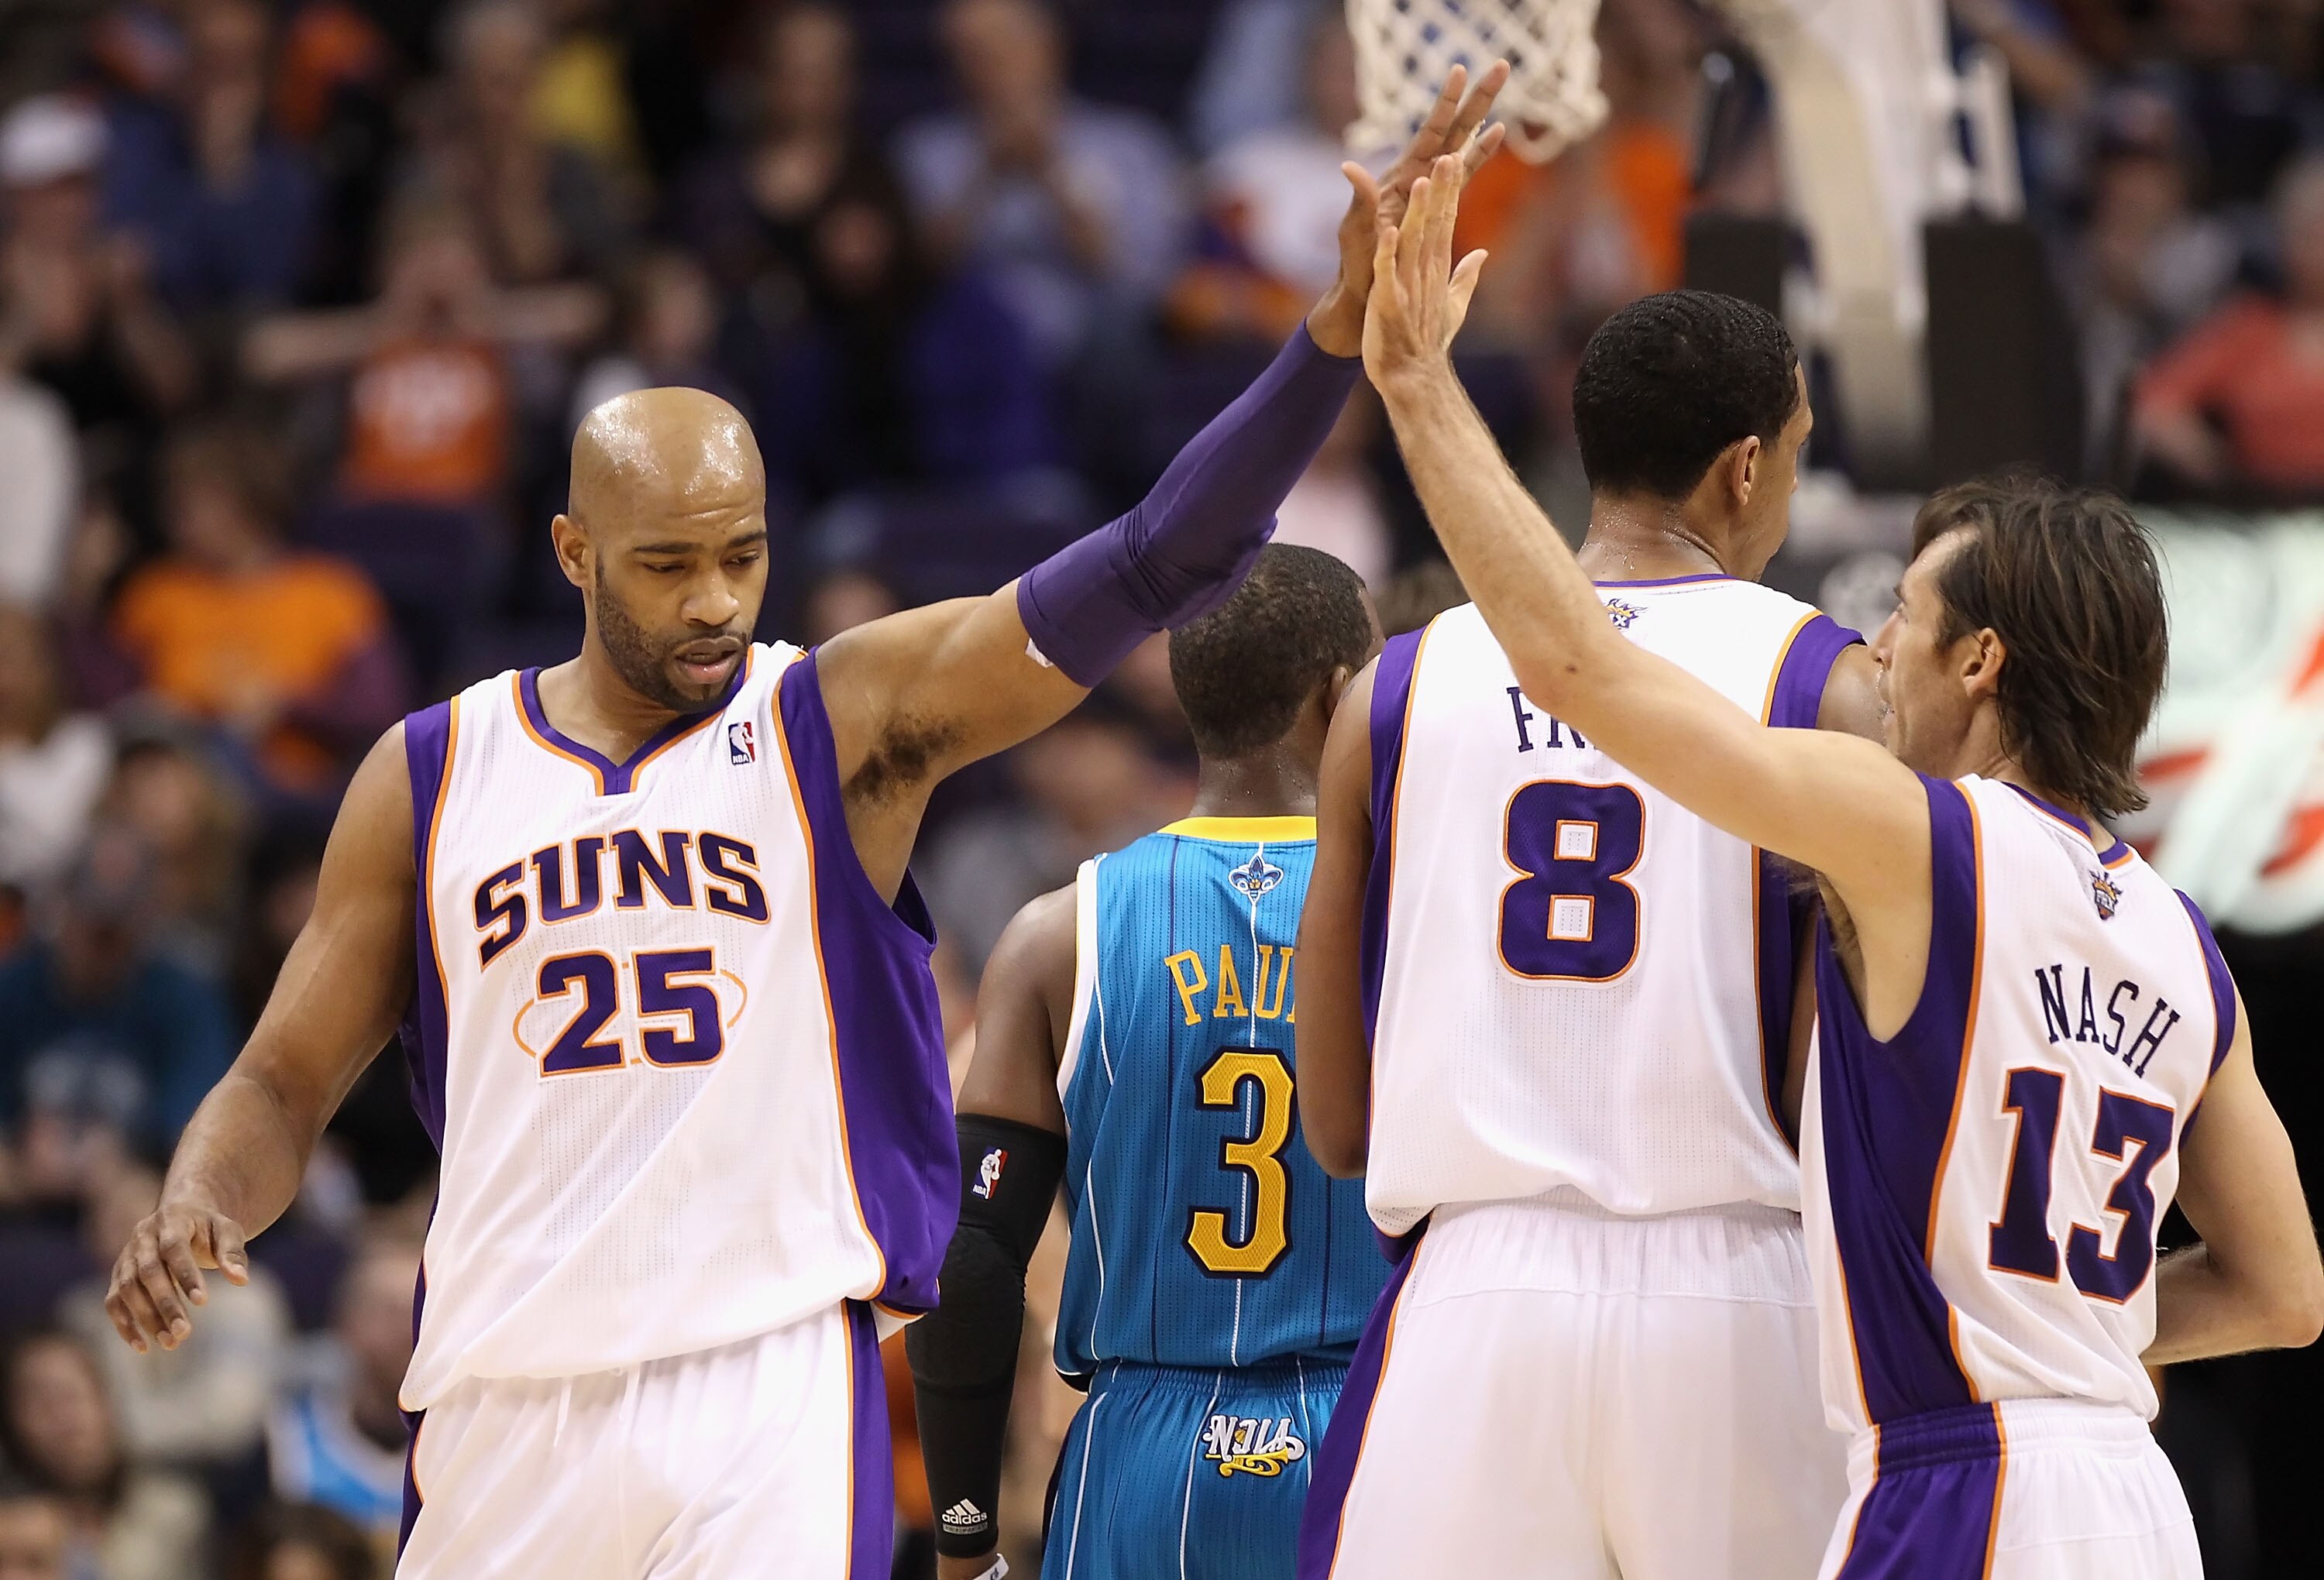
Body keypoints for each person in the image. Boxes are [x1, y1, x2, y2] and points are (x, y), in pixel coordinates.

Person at [100, 68, 1501, 1579]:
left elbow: (1160, 556)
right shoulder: (430, 772)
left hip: (764, 1380)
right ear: (572, 553)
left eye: (744, 557)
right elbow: (284, 1081)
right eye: (665, 566)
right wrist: (199, 1197)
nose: (714, 602)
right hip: (504, 1391)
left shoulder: (836, 727)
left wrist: (1325, 346)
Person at [1345, 154, 2324, 1580]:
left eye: (1903, 623)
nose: (1870, 646)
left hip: (1963, 1482)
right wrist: (2070, 1327)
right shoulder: (2184, 941)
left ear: (1980, 663)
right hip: (2131, 1491)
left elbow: (1586, 677)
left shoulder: (1926, 840)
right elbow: (2288, 1291)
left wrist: (1423, 395)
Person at [1291, 274, 1874, 1571]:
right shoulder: (1830, 684)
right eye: (1792, 458)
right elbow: (1838, 1078)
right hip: (1740, 1298)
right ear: (1742, 470)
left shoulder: (1395, 687)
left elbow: (1334, 1117)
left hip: (1474, 1305)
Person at [909, 544, 1387, 1580]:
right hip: (1371, 1431)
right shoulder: (1417, 917)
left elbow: (974, 1260)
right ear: (1341, 694)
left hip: (1143, 1451)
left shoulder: (1056, 935)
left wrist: (963, 1540)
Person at [0, 1329, 210, 1580]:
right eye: (43, 1404)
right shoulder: (11, 1526)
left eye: (73, 1396)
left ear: (109, 1401)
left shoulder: (174, 1513)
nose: (65, 1422)